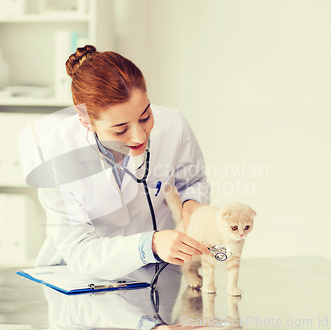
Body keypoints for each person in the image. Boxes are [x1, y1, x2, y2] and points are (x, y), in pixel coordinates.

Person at [29, 45, 211, 280]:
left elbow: (194, 181)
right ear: (85, 121)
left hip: (158, 273)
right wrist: (150, 244)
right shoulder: (54, 155)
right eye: (120, 129)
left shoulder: (173, 125)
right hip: (81, 280)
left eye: (145, 116)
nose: (140, 136)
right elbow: (79, 251)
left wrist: (192, 204)